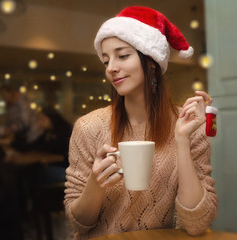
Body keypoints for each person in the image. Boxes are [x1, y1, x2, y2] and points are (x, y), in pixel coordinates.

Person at [64, 6, 217, 239]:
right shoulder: (89, 127)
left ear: (152, 61)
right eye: (106, 61)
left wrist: (182, 140)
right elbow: (79, 225)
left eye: (122, 55)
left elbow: (196, 224)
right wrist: (96, 183)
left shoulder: (188, 127)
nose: (111, 68)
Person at [0, 84, 41, 151]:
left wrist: (11, 128)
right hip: (22, 135)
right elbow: (8, 120)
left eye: (3, 94)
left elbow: (25, 122)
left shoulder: (21, 101)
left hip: (31, 136)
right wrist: (4, 129)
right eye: (1, 95)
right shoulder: (9, 105)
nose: (2, 97)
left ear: (10, 93)